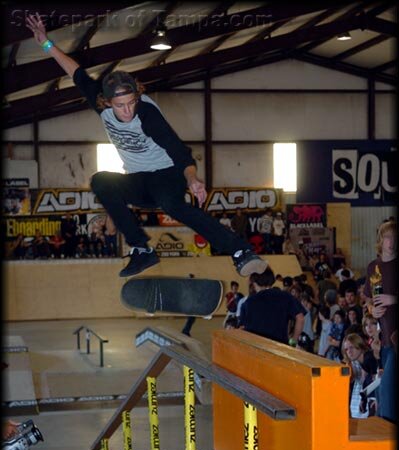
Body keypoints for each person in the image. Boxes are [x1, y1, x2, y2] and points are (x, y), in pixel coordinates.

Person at [26, 13, 266, 279]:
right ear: (106, 102)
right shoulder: (99, 101)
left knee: (173, 206)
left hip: (168, 176)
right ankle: (141, 249)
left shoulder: (147, 116)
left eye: (131, 102)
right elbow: (75, 71)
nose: (128, 110)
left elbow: (178, 151)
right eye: (121, 106)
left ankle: (240, 251)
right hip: (139, 181)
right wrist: (45, 43)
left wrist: (193, 179)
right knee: (100, 181)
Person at [364, 220, 397, 423]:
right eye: (387, 238)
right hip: (383, 337)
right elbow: (368, 298)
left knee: (386, 388)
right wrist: (371, 309)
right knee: (385, 387)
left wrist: (393, 299)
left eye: (394, 238)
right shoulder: (373, 267)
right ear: (380, 240)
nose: (391, 242)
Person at [239, 267, 305, 346]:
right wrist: (293, 341)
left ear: (254, 283)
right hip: (280, 347)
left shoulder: (248, 302)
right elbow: (300, 318)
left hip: (256, 347)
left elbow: (242, 328)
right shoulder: (285, 296)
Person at [341, 333, 379, 419]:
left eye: (351, 347)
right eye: (346, 349)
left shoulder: (369, 358)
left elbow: (377, 381)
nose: (349, 352)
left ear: (359, 345)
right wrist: (364, 399)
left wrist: (376, 399)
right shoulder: (363, 361)